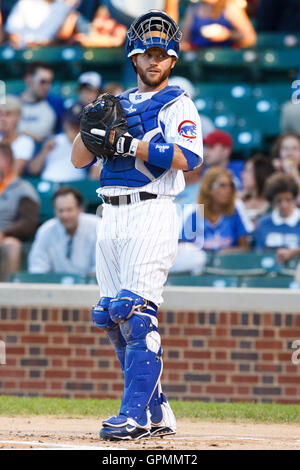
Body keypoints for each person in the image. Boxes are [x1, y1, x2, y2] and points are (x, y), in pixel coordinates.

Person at [71, 10, 203, 441]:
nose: (154, 61)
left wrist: (131, 143)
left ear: (172, 59)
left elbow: (190, 159)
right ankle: (158, 411)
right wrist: (89, 126)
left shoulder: (178, 103)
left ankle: (135, 416)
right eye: (147, 53)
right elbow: (79, 159)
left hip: (152, 209)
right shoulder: (118, 102)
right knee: (111, 315)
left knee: (136, 311)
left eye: (162, 54)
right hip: (110, 213)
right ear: (134, 56)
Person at [28, 186, 99, 275]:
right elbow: (37, 267)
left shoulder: (97, 227)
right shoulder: (45, 230)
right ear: (54, 211)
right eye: (60, 211)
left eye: (69, 210)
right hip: (55, 287)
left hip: (91, 286)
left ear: (80, 209)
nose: (65, 215)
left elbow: (103, 268)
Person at [180, 167, 251, 254]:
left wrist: (226, 253)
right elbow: (183, 249)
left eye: (230, 186)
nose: (228, 190)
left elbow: (245, 249)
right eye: (222, 186)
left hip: (227, 265)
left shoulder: (234, 214)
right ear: (208, 189)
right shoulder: (194, 216)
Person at [0, 143, 40, 281]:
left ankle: (6, 296)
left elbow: (28, 222)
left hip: (6, 237)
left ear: (7, 160)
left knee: (11, 245)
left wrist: (4, 233)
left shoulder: (23, 189)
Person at [29, 103, 88, 182]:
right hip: (49, 184)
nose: (73, 128)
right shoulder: (52, 141)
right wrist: (44, 152)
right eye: (71, 124)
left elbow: (95, 175)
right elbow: (33, 170)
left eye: (77, 125)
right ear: (65, 123)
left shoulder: (89, 144)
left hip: (74, 186)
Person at [255, 173, 300, 261]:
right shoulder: (263, 223)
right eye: (279, 201)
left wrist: (293, 252)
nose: (284, 205)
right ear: (272, 201)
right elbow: (258, 254)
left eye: (288, 199)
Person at [181, 0, 256, 50]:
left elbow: (250, 38)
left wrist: (228, 35)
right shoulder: (193, 8)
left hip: (225, 58)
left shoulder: (230, 7)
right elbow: (183, 41)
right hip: (199, 60)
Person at [18, 62, 64, 144]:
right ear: (28, 79)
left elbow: (61, 136)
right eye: (42, 82)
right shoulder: (11, 102)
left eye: (50, 82)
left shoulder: (56, 103)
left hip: (47, 153)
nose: (47, 86)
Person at [4, 0, 80, 49]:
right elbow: (12, 32)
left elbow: (64, 34)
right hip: (22, 49)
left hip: (49, 50)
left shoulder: (64, 6)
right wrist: (23, 44)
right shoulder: (26, 3)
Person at [0, 95, 35, 176]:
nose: (3, 118)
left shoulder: (25, 141)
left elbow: (14, 174)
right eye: (0, 114)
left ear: (18, 118)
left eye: (8, 114)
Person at [240, 154, 275, 225]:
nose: (242, 174)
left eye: (247, 170)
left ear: (260, 173)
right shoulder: (238, 202)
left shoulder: (275, 205)